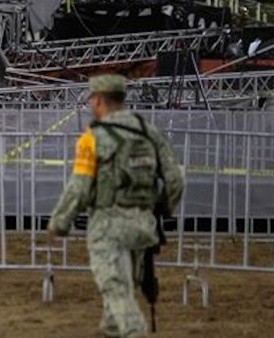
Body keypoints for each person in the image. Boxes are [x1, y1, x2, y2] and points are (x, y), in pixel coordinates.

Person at [47, 74, 185, 338]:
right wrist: (163, 209)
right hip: (144, 226)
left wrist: (60, 222)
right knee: (119, 298)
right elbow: (176, 178)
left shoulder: (93, 138)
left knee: (116, 291)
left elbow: (80, 186)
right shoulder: (148, 131)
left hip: (108, 227)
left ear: (98, 100)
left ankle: (134, 332)